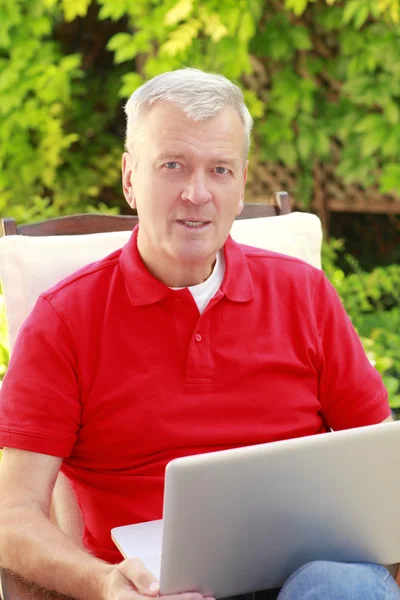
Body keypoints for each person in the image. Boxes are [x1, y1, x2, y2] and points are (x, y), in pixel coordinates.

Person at [0, 68, 398, 600]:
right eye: (172, 166)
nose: (197, 193)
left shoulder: (305, 293)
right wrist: (104, 584)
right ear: (129, 179)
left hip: (313, 579)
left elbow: (381, 467)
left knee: (334, 586)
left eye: (220, 170)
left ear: (240, 184)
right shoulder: (64, 320)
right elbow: (12, 515)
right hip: (156, 592)